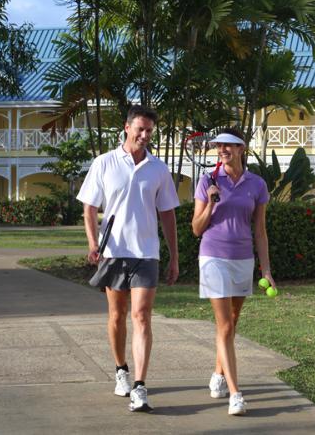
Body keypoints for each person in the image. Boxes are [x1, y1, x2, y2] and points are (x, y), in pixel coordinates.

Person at [77, 105, 180, 413]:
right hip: (114, 252)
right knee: (117, 316)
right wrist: (93, 242)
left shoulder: (158, 169)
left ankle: (140, 386)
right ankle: (121, 369)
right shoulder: (104, 163)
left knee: (142, 316)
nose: (145, 135)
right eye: (140, 129)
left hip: (147, 253)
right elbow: (89, 208)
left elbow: (168, 215)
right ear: (126, 127)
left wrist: (174, 257)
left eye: (149, 130)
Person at [191, 128, 275, 416]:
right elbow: (196, 228)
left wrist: (266, 268)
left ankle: (218, 373)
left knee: (233, 321)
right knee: (225, 325)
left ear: (242, 148)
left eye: (229, 146)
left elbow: (260, 232)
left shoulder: (257, 184)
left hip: (243, 258)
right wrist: (212, 203)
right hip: (213, 257)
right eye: (219, 146)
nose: (222, 150)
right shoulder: (208, 181)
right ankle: (235, 393)